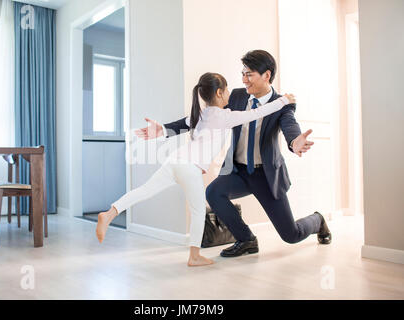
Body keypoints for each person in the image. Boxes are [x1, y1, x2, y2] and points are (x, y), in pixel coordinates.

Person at [136, 50, 331, 258]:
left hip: (265, 176)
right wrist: (165, 130)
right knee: (213, 192)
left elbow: (290, 126)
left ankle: (318, 220)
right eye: (243, 73)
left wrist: (295, 142)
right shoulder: (237, 96)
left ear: (266, 75)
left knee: (291, 235)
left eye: (250, 74)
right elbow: (204, 117)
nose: (244, 80)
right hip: (238, 172)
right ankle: (246, 240)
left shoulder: (281, 104)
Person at [96, 72, 295, 266]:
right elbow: (257, 113)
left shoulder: (201, 114)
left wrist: (162, 130)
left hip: (175, 161)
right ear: (219, 93)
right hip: (189, 168)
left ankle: (111, 212)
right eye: (226, 91)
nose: (229, 95)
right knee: (198, 211)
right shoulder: (225, 116)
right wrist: (284, 100)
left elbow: (183, 123)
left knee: (145, 190)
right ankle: (194, 256)